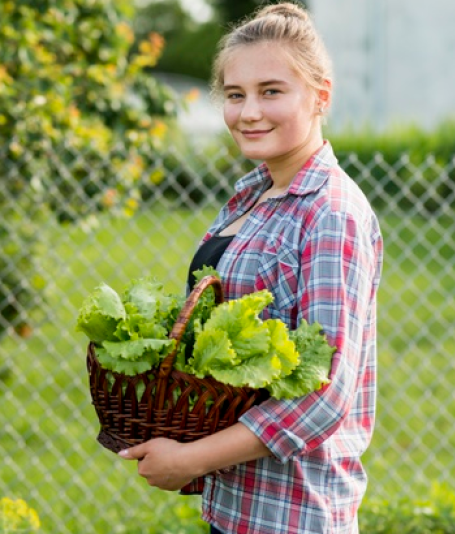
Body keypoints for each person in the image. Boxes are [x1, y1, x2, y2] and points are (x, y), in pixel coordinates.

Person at [119, 2, 383, 533]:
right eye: (235, 95)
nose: (249, 112)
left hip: (293, 513)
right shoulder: (253, 195)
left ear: (320, 96)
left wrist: (193, 459)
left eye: (271, 91)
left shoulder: (330, 213)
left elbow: (322, 396)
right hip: (236, 506)